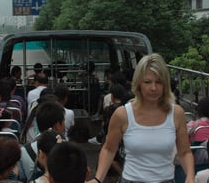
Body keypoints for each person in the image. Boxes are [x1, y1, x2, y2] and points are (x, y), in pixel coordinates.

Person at [89, 53, 194, 183]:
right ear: (138, 83)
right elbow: (109, 149)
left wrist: (190, 177)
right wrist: (98, 179)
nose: (153, 88)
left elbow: (184, 152)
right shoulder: (122, 114)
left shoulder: (176, 113)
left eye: (159, 82)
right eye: (147, 82)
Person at [17, 99, 66, 182]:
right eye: (64, 121)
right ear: (57, 125)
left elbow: (21, 178)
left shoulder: (23, 151)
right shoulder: (68, 150)